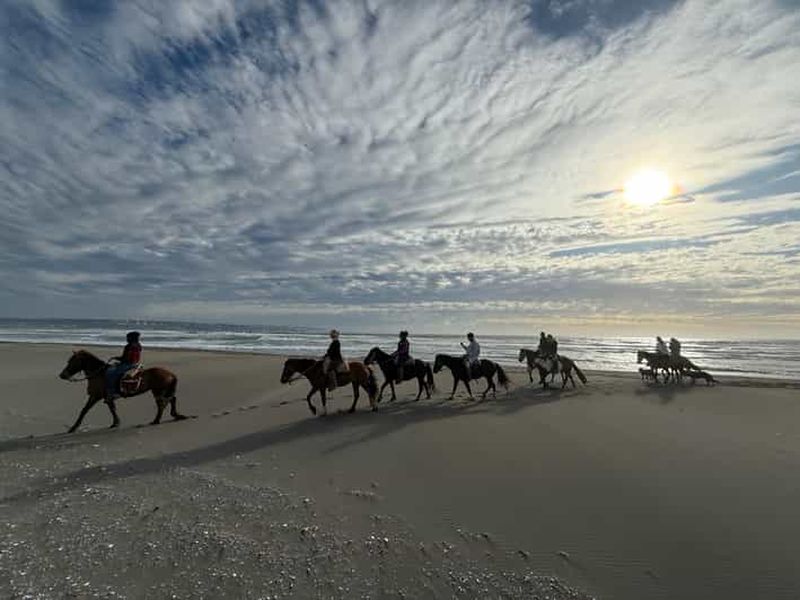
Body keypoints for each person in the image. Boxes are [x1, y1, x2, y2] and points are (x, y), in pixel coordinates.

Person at [105, 331, 143, 399]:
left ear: (131, 338)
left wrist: (117, 359)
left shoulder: (129, 346)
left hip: (129, 364)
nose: (127, 339)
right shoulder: (138, 345)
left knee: (110, 373)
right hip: (135, 364)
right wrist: (117, 359)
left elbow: (126, 358)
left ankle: (113, 392)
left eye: (128, 338)